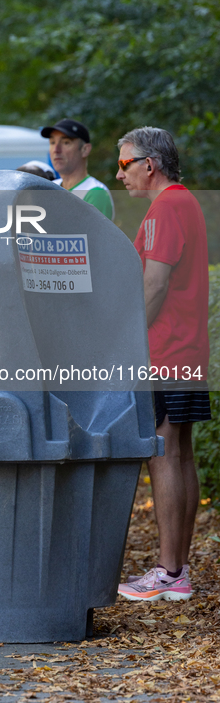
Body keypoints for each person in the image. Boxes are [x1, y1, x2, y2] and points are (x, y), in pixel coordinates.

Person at [115, 127, 210, 602]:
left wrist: (127, 341)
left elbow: (155, 285)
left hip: (165, 349)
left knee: (162, 450)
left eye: (125, 163)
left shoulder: (167, 206)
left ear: (148, 165)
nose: (121, 173)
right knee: (180, 452)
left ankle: (170, 572)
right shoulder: (184, 202)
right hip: (186, 347)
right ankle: (177, 569)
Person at [40, 118, 114, 218]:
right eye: (52, 143)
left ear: (85, 150)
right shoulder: (49, 188)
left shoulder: (95, 192)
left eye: (66, 142)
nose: (56, 150)